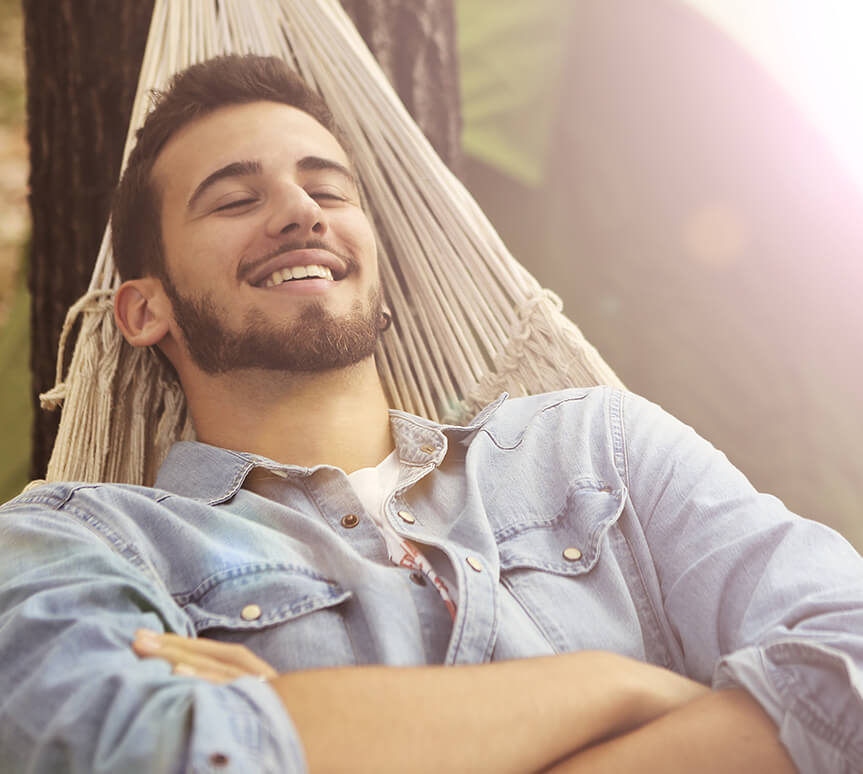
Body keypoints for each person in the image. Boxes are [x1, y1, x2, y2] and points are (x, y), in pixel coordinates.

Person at [1, 54, 861, 774]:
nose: (299, 212)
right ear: (143, 311)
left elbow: (847, 662)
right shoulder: (87, 541)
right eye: (234, 200)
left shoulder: (598, 453)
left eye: (329, 192)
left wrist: (291, 724)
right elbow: (124, 751)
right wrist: (616, 688)